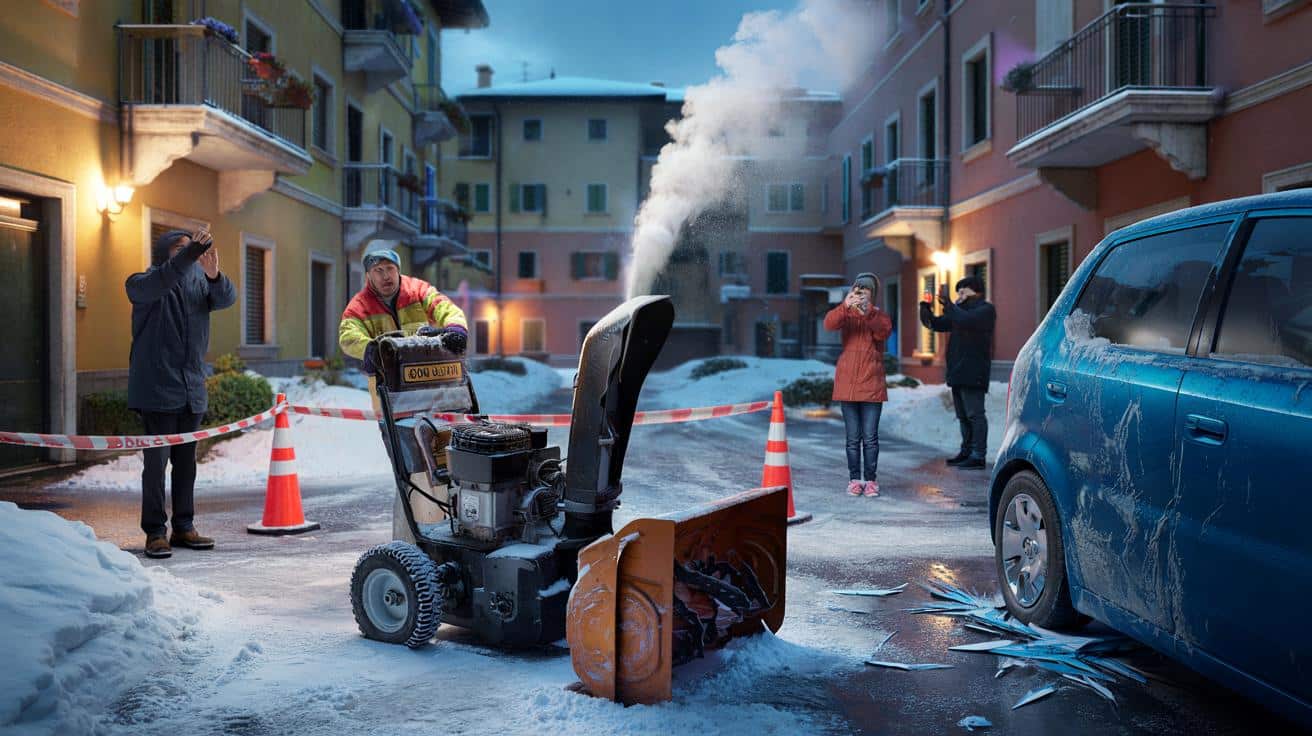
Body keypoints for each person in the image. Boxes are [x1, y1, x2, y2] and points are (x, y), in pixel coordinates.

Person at [126, 227, 236, 559]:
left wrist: (215, 275)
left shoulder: (199, 284)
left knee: (186, 465)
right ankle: (155, 533)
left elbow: (226, 298)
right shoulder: (143, 283)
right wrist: (192, 253)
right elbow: (163, 280)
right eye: (180, 248)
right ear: (163, 253)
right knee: (156, 466)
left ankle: (184, 527)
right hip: (156, 389)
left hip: (191, 389)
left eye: (192, 249)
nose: (188, 253)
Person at [338, 248, 469, 372]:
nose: (386, 276)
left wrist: (456, 329)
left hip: (427, 371)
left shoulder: (417, 290)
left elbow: (444, 307)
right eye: (378, 270)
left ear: (398, 270)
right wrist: (371, 349)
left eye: (390, 268)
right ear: (368, 276)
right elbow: (348, 336)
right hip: (386, 378)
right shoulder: (359, 305)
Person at [824, 273, 894, 497]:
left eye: (866, 291)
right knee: (853, 438)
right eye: (858, 290)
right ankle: (855, 479)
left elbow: (883, 332)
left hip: (871, 384)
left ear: (873, 294)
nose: (861, 294)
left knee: (870, 437)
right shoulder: (846, 315)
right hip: (848, 385)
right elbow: (829, 323)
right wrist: (845, 305)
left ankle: (871, 480)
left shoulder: (879, 316)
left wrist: (867, 312)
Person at [918, 275, 996, 469]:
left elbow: (966, 320)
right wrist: (925, 307)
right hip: (958, 371)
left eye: (963, 291)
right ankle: (966, 451)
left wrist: (949, 303)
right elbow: (935, 324)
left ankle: (978, 456)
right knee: (962, 416)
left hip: (974, 371)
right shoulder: (958, 312)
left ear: (976, 291)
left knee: (975, 415)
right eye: (957, 291)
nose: (959, 295)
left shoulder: (985, 310)